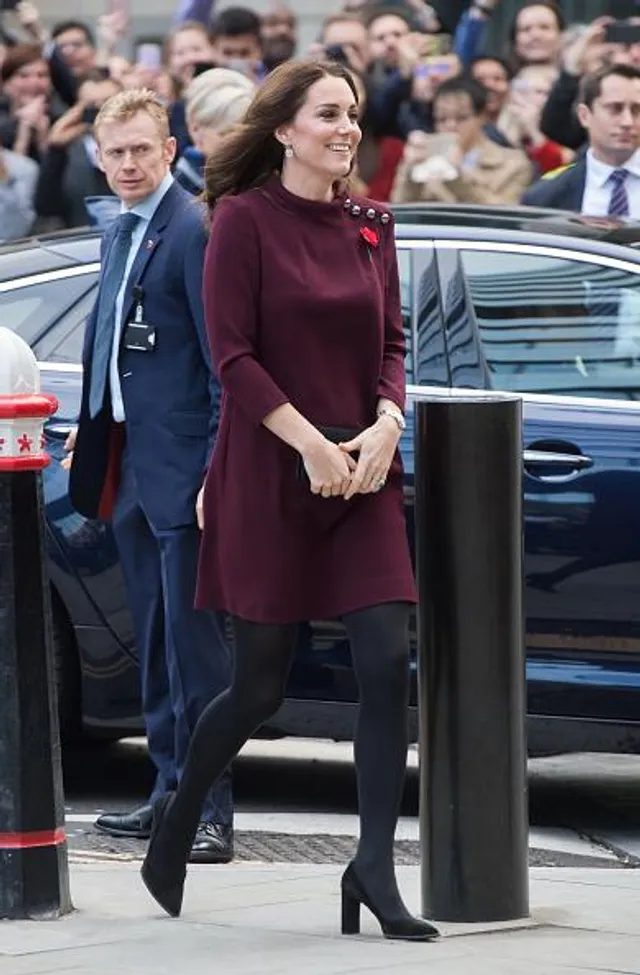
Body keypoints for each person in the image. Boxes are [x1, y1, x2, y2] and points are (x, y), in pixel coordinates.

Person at [140, 57, 439, 943]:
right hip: (274, 472)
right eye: (328, 114)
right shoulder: (240, 220)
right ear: (284, 130)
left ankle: (374, 866)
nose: (347, 129)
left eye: (352, 113)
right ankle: (178, 814)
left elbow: (392, 343)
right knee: (258, 686)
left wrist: (387, 424)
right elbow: (232, 354)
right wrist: (309, 445)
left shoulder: (374, 225)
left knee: (386, 662)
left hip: (362, 474)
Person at [65, 87, 234, 864]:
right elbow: (113, 339)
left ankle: (210, 812)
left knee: (196, 649)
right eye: (116, 152)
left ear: (170, 149)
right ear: (100, 158)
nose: (129, 164)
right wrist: (96, 424)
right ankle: (168, 792)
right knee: (156, 642)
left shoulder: (194, 227)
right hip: (130, 463)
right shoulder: (121, 227)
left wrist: (213, 472)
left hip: (184, 470)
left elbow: (221, 364)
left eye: (142, 149)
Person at [391, 76, 533, 205]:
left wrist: (458, 178)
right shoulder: (423, 159)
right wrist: (411, 172)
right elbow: (399, 210)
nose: (450, 125)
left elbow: (505, 214)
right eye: (442, 119)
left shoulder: (514, 164)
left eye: (461, 118)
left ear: (482, 116)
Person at [523, 64, 640, 216]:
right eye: (615, 109)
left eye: (637, 110)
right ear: (584, 115)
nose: (627, 122)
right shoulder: (546, 195)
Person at [175, 67, 255, 195]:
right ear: (195, 130)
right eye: (227, 134)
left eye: (247, 135)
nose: (240, 144)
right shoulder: (179, 190)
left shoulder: (263, 181)